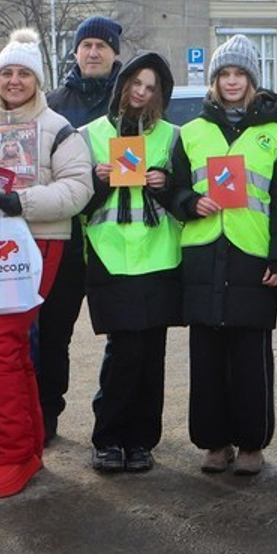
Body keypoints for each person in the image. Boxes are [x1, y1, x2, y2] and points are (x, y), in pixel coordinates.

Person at [0, 28, 93, 498]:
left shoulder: (59, 129)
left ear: (38, 80)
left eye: (23, 73)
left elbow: (77, 189)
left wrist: (22, 201)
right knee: (12, 353)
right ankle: (25, 446)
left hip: (37, 243)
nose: (14, 80)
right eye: (6, 72)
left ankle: (13, 453)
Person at [172, 35, 277, 476]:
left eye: (241, 74)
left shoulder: (276, 134)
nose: (233, 81)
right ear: (214, 80)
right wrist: (190, 203)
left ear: (253, 80)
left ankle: (252, 444)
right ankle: (213, 442)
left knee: (250, 359)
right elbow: (174, 188)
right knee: (205, 359)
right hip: (204, 253)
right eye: (225, 74)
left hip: (251, 254)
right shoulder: (192, 132)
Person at [81, 52, 183, 474]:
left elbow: (186, 197)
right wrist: (96, 180)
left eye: (151, 87)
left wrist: (166, 184)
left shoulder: (173, 137)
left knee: (151, 350)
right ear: (121, 85)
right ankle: (109, 437)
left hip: (159, 253)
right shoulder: (88, 135)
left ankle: (142, 440)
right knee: (123, 349)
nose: (141, 92)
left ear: (161, 94)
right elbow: (76, 203)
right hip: (110, 253)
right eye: (135, 83)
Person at [39, 15, 123, 442]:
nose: (93, 53)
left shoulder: (132, 100)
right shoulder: (53, 103)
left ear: (114, 54)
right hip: (65, 237)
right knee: (52, 333)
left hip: (118, 238)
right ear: (75, 52)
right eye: (86, 45)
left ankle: (110, 417)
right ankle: (45, 414)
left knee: (122, 336)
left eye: (101, 47)